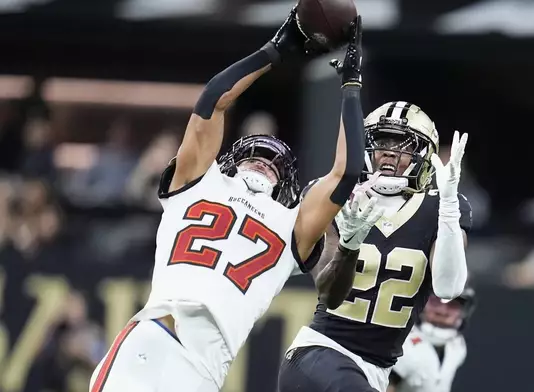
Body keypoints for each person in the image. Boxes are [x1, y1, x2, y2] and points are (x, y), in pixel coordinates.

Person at [89, 9, 373, 392]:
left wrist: (351, 85)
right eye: (257, 155)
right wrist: (276, 48)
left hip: (205, 370)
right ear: (229, 160)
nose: (265, 164)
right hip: (155, 337)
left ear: (285, 188)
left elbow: (347, 171)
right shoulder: (199, 183)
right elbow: (212, 102)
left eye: (275, 165)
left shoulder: (291, 223)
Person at [278, 101, 473, 392]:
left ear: (424, 154)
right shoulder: (338, 197)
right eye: (382, 140)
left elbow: (448, 287)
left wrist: (448, 209)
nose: (390, 152)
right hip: (321, 354)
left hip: (376, 371)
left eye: (404, 144)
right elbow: (329, 294)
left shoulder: (439, 208)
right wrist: (348, 244)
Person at [388, 287, 477, 392]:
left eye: (453, 304)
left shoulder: (458, 345)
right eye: (435, 301)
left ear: (463, 309)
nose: (442, 310)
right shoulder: (401, 341)